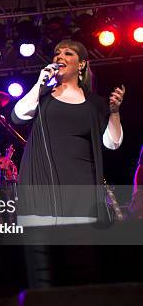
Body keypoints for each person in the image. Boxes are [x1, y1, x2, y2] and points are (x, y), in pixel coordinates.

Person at [12, 39, 125, 225]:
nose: (60, 56)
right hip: (41, 184)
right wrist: (40, 84)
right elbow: (18, 116)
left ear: (81, 64)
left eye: (68, 53)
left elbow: (112, 143)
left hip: (80, 186)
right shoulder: (43, 97)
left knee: (78, 249)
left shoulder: (95, 103)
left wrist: (114, 113)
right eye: (57, 53)